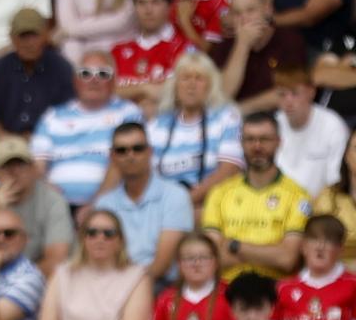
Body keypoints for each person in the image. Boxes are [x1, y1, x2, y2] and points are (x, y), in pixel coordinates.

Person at [203, 112, 310, 281]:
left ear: (279, 142)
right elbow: (212, 259)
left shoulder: (298, 195)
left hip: (276, 292)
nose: (257, 146)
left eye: (265, 139)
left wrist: (234, 245)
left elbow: (288, 260)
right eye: (250, 139)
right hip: (228, 291)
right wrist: (270, 253)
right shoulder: (219, 193)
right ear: (241, 143)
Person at [30, 51, 144, 211]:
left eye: (103, 74)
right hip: (56, 206)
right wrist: (57, 203)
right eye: (85, 73)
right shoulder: (53, 116)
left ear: (114, 81)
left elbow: (124, 163)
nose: (94, 80)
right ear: (75, 80)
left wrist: (96, 205)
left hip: (110, 205)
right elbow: (37, 168)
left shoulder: (128, 113)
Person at [95, 122, 193, 283]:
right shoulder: (104, 204)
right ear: (112, 156)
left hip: (162, 285)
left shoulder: (175, 195)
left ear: (149, 152)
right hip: (113, 283)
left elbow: (162, 266)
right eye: (122, 150)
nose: (130, 155)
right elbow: (101, 257)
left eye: (137, 148)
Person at [147, 50, 245, 207]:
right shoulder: (158, 124)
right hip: (164, 205)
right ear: (175, 85)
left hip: (212, 204)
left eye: (199, 78)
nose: (191, 84)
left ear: (211, 85)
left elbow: (229, 170)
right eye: (185, 78)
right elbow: (148, 174)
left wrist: (185, 202)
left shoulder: (226, 117)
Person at [0, 136, 74, 277]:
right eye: (6, 166)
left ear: (33, 168)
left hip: (40, 282)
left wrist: (17, 285)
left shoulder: (52, 201)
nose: (14, 172)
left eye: (20, 165)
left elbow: (56, 261)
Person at [212, 0, 308, 114]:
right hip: (235, 124)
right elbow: (223, 94)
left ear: (267, 9)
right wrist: (242, 45)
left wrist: (240, 109)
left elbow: (290, 91)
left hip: (278, 116)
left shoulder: (289, 40)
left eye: (250, 10)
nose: (244, 19)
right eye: (237, 13)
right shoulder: (224, 46)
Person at [0, 7, 74, 136]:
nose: (29, 43)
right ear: (12, 38)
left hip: (53, 138)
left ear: (45, 36)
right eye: (23, 36)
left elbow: (70, 114)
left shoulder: (61, 68)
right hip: (7, 141)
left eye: (34, 36)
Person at [112, 0, 193, 110]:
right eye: (141, 3)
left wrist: (129, 91)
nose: (148, 10)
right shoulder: (117, 50)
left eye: (155, 2)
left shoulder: (185, 50)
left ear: (169, 5)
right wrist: (145, 89)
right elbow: (105, 92)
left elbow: (180, 94)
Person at [274, 66, 350, 198]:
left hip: (319, 208)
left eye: (295, 93)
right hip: (278, 205)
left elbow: (336, 181)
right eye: (282, 94)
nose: (288, 101)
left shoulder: (333, 126)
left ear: (311, 92)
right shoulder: (273, 125)